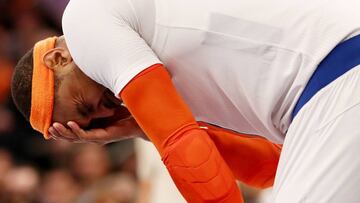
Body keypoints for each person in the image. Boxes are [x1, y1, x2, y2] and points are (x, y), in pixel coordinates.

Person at [11, 0, 360, 202]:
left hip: (339, 75)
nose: (107, 111)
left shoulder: (85, 22)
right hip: (336, 82)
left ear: (58, 59)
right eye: (97, 122)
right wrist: (141, 128)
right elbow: (272, 167)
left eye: (86, 107)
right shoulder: (154, 50)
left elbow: (182, 144)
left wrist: (159, 130)